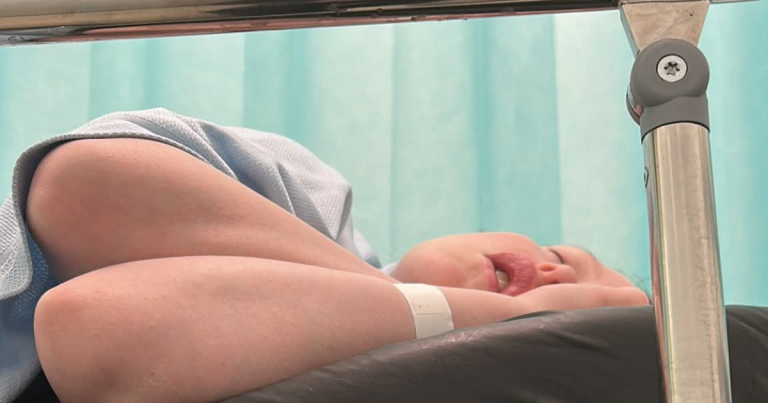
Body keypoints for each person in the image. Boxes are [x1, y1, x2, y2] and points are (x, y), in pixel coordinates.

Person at [0, 108, 648, 403]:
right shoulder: (306, 200)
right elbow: (79, 187)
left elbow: (92, 326)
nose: (557, 274)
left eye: (574, 304)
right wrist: (509, 318)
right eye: (561, 255)